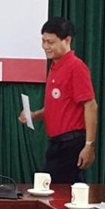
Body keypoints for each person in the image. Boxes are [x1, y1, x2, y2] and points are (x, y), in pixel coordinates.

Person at [18, 17, 97, 184]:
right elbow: (58, 107)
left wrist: (89, 145)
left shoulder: (76, 67)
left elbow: (90, 105)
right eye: (43, 41)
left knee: (59, 193)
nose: (45, 46)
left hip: (71, 143)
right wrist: (33, 115)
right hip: (56, 144)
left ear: (67, 40)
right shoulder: (55, 66)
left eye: (51, 42)